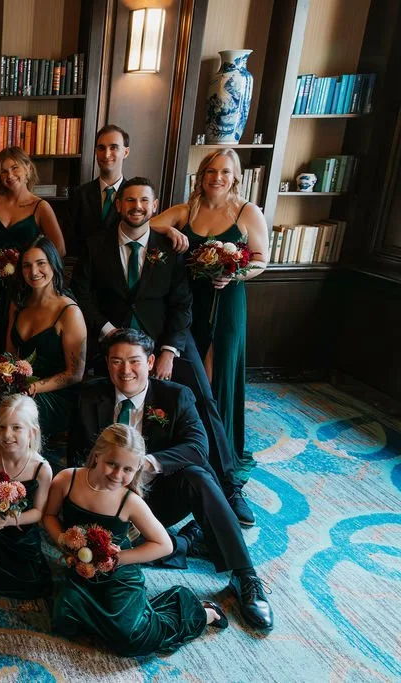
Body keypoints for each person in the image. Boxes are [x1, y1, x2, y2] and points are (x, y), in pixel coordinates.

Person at [72, 177, 253, 525]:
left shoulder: (169, 247)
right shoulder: (95, 246)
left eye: (144, 201)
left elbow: (181, 304)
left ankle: (229, 486)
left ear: (154, 207)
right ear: (119, 205)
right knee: (92, 398)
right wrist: (109, 334)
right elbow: (83, 294)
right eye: (129, 201)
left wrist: (169, 351)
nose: (136, 207)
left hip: (166, 343)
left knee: (204, 402)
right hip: (111, 346)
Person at [70, 329, 274, 631]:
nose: (125, 371)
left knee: (198, 475)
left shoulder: (176, 395)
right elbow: (76, 455)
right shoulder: (89, 395)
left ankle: (245, 575)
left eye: (134, 361)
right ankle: (186, 542)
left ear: (151, 362)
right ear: (108, 364)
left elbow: (197, 446)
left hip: (156, 497)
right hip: (105, 501)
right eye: (116, 361)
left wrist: (147, 464)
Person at [44, 424, 225, 657]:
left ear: (137, 468)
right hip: (81, 569)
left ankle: (198, 611)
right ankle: (129, 614)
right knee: (64, 621)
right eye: (112, 464)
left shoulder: (129, 501)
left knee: (130, 639)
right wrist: (63, 540)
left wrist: (118, 558)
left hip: (118, 574)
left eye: (127, 469)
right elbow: (49, 516)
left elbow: (164, 544)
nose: (118, 475)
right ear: (97, 454)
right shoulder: (67, 479)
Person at [151, 149, 268, 488]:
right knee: (192, 372)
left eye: (225, 172)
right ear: (201, 175)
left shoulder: (247, 212)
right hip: (191, 303)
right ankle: (189, 442)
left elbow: (261, 261)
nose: (218, 177)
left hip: (228, 301)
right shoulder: (190, 209)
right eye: (211, 171)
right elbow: (150, 223)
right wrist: (173, 232)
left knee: (217, 373)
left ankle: (221, 451)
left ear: (235, 177)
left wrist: (235, 275)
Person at [0, 237, 86, 469]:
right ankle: (9, 460)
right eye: (27, 265)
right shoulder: (19, 304)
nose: (34, 271)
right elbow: (10, 355)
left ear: (53, 265)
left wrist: (33, 387)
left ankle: (5, 467)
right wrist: (2, 375)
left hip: (55, 392)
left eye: (41, 263)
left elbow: (75, 373)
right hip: (21, 384)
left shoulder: (69, 311)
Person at [0, 147, 65, 350]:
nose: (9, 175)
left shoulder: (41, 207)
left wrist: (30, 265)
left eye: (15, 168)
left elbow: (59, 250)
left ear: (28, 169)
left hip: (23, 287)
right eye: (3, 171)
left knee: (13, 344)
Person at [0, 394, 53, 600]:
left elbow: (38, 512)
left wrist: (10, 520)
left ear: (32, 432)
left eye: (17, 427)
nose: (7, 435)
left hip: (20, 533)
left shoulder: (41, 469)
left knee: (31, 584)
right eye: (1, 427)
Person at [64, 124, 129, 258]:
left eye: (113, 147)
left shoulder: (135, 196)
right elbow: (69, 240)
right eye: (101, 148)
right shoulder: (79, 194)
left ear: (126, 152)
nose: (106, 154)